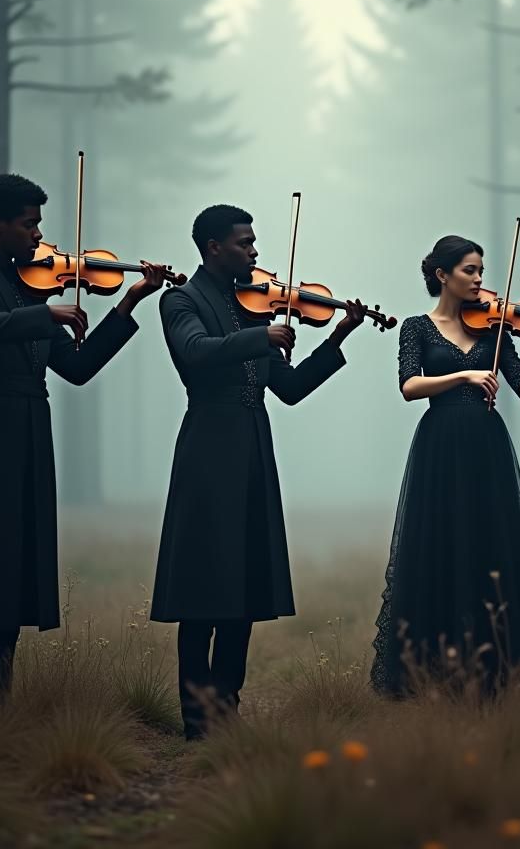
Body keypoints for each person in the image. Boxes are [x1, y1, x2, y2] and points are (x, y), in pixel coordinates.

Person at [0, 173, 164, 711]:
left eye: (39, 223)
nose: (38, 234)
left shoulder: (30, 285)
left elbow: (77, 366)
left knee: (10, 577)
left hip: (28, 434)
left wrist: (129, 302)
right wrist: (42, 313)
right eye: (30, 224)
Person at [150, 204, 367, 740]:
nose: (255, 252)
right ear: (213, 247)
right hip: (207, 446)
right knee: (203, 587)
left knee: (243, 586)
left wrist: (337, 336)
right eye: (245, 243)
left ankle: (227, 706)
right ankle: (196, 717)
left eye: (254, 243)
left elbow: (289, 390)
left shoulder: (253, 306)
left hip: (251, 444)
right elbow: (195, 352)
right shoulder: (181, 300)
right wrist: (260, 336)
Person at [371, 235, 520, 696]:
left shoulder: (495, 329)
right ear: (442, 275)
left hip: (487, 449)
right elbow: (409, 385)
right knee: (439, 548)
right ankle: (433, 672)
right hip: (439, 448)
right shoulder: (416, 327)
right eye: (469, 270)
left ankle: (497, 671)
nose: (480, 279)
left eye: (482, 270)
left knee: (491, 548)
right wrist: (463, 375)